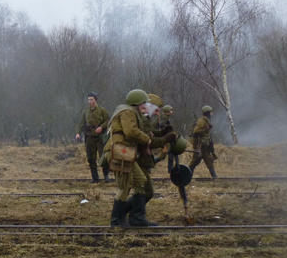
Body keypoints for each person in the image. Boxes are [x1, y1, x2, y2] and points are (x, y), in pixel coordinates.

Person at [103, 89, 177, 227]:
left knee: (137, 182)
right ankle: (118, 220)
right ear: (136, 103)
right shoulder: (128, 112)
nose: (146, 106)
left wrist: (159, 135)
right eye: (143, 103)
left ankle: (134, 218)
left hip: (124, 151)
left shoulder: (132, 113)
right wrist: (148, 139)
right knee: (125, 187)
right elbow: (130, 132)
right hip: (119, 150)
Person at [75, 93, 110, 183]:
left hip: (100, 137)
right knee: (91, 158)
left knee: (103, 157)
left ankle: (106, 176)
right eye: (89, 100)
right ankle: (95, 178)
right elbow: (81, 123)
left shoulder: (102, 111)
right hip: (89, 136)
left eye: (91, 99)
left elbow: (108, 121)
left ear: (95, 100)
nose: (90, 102)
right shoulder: (86, 112)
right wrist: (78, 133)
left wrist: (101, 127)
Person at [189, 105, 218, 179]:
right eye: (211, 112)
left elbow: (207, 134)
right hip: (200, 146)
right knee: (194, 162)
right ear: (207, 113)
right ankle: (187, 176)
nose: (212, 113)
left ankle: (214, 177)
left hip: (205, 146)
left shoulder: (206, 120)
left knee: (209, 161)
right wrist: (205, 130)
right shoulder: (201, 121)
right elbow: (195, 132)